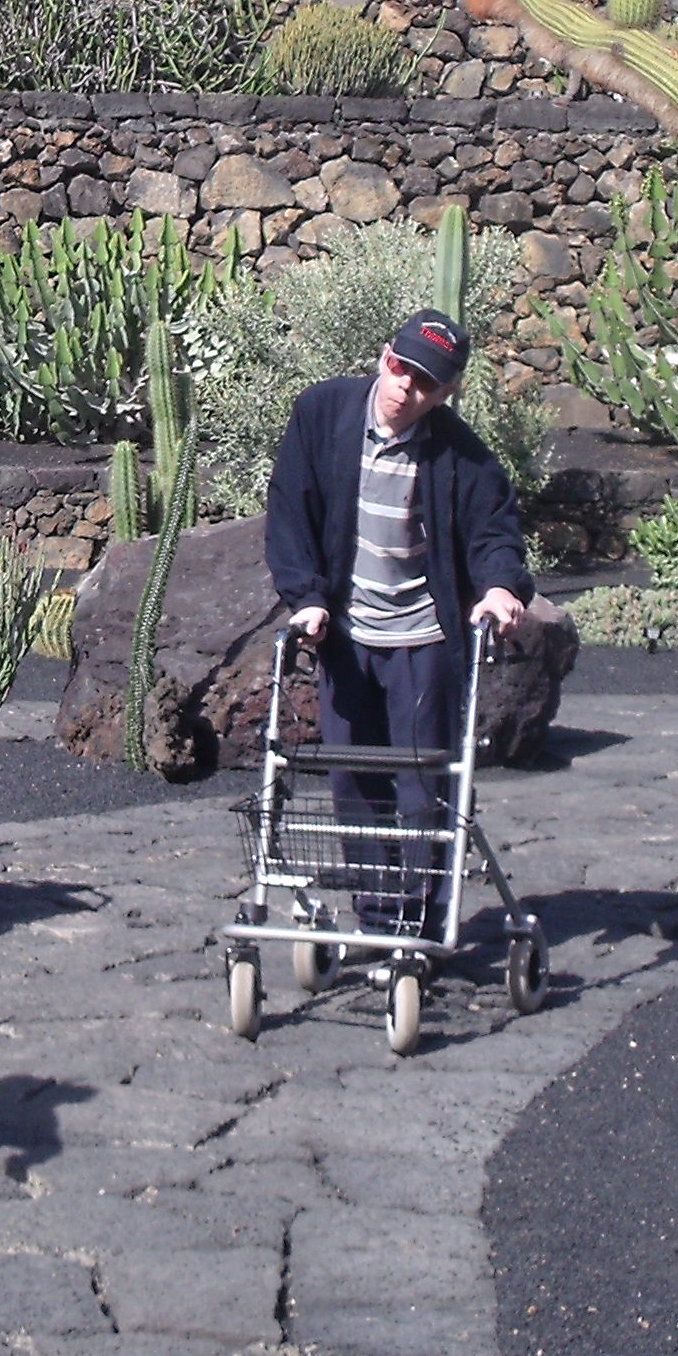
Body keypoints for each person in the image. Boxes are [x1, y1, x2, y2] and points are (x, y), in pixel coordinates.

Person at [262, 309, 531, 915]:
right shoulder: (322, 414)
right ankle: (378, 916)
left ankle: (420, 922)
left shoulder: (463, 456)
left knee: (422, 787)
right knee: (353, 781)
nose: (405, 387)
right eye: (400, 368)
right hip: (346, 633)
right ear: (384, 356)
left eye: (425, 382)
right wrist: (307, 598)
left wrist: (499, 588)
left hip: (423, 640)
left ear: (447, 392)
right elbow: (290, 514)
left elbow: (494, 534)